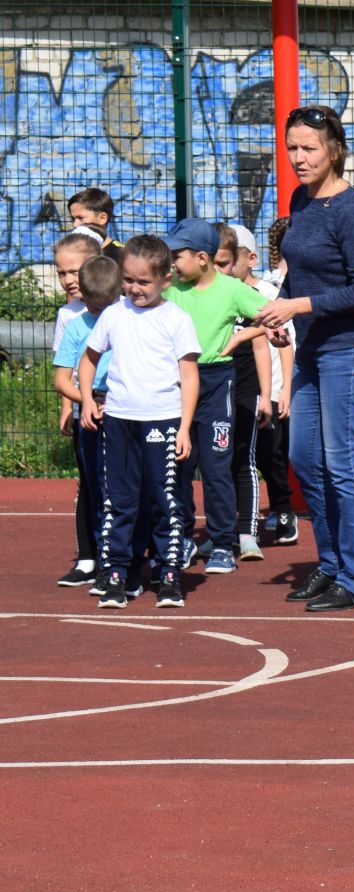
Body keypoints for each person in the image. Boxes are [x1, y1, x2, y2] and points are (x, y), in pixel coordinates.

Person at [256, 104, 354, 613]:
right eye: (292, 148)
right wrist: (284, 322)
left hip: (347, 349)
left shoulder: (351, 209)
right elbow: (301, 274)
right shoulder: (299, 200)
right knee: (303, 459)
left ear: (334, 151)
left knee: (342, 464)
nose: (298, 158)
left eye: (309, 148)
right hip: (307, 347)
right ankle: (328, 566)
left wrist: (298, 306)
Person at [76, 234, 200, 609]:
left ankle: (168, 571)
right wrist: (85, 400)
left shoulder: (176, 319)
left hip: (162, 421)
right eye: (128, 280)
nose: (134, 288)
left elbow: (190, 375)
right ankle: (117, 571)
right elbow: (89, 359)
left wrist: (184, 427)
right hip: (118, 421)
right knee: (119, 499)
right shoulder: (114, 314)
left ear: (166, 279)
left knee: (166, 499)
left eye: (143, 281)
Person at [163, 217, 266, 577]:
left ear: (203, 257)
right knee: (177, 465)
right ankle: (184, 537)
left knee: (216, 464)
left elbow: (269, 316)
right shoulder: (170, 287)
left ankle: (223, 542)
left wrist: (239, 338)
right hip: (175, 383)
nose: (172, 262)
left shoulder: (231, 289)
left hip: (217, 381)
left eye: (178, 254)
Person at [214, 223, 276, 560]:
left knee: (243, 459)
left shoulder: (247, 297)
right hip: (210, 390)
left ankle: (247, 532)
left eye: (224, 264)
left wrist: (266, 396)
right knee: (213, 463)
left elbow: (262, 346)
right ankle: (218, 530)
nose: (219, 271)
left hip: (245, 390)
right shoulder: (198, 296)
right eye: (214, 264)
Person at [51, 232, 104, 588]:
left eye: (75, 271)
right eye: (61, 273)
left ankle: (122, 554)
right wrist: (68, 406)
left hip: (118, 407)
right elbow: (65, 368)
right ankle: (87, 557)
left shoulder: (116, 309)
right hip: (85, 408)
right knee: (87, 484)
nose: (69, 280)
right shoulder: (68, 316)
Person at [257, 216, 300, 547]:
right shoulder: (265, 284)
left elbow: (287, 339)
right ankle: (273, 508)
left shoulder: (276, 287)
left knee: (290, 449)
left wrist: (285, 385)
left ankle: (285, 507)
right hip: (262, 383)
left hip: (291, 375)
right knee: (266, 451)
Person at [67, 188, 124, 263]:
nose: (75, 225)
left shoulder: (121, 255)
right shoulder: (72, 253)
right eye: (72, 219)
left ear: (102, 218)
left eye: (81, 218)